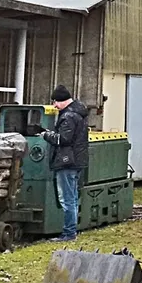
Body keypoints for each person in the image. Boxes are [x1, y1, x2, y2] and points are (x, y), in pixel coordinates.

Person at [42, 84, 88, 240]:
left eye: (55, 101)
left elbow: (63, 139)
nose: (54, 105)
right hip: (77, 161)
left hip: (67, 162)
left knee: (66, 198)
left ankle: (69, 233)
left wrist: (46, 135)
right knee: (73, 197)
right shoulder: (78, 113)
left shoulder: (68, 116)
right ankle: (71, 230)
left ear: (62, 100)